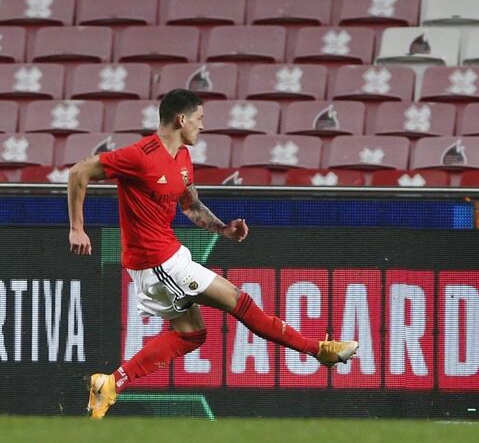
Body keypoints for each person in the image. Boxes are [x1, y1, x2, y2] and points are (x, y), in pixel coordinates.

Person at [68, 89, 359, 419]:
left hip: (169, 258)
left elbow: (190, 205)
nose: (202, 126)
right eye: (199, 119)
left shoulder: (182, 159)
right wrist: (77, 228)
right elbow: (79, 172)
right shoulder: (140, 155)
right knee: (240, 301)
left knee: (193, 335)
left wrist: (223, 229)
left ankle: (110, 383)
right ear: (181, 119)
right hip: (157, 263)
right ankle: (319, 350)